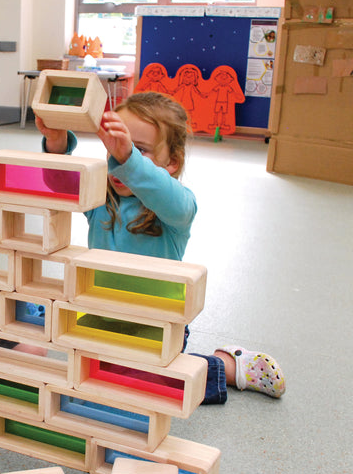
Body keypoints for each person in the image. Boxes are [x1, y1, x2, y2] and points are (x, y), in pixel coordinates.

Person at [37, 91, 285, 404]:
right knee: (83, 373)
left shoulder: (176, 208)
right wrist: (57, 143)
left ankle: (224, 365)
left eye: (138, 149)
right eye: (113, 146)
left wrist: (129, 160)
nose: (118, 156)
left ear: (172, 162)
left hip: (156, 327)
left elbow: (172, 201)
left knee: (142, 383)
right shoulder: (100, 198)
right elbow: (58, 183)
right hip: (103, 316)